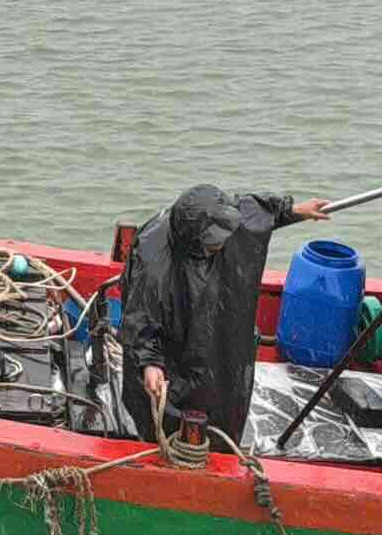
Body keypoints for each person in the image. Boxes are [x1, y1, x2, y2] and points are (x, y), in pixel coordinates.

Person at [119, 185, 329, 443]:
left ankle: (221, 437)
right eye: (212, 241)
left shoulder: (223, 218)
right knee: (174, 401)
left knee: (224, 389)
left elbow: (255, 212)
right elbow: (141, 317)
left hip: (220, 329)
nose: (220, 244)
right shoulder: (154, 262)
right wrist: (150, 363)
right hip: (176, 339)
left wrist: (295, 211)